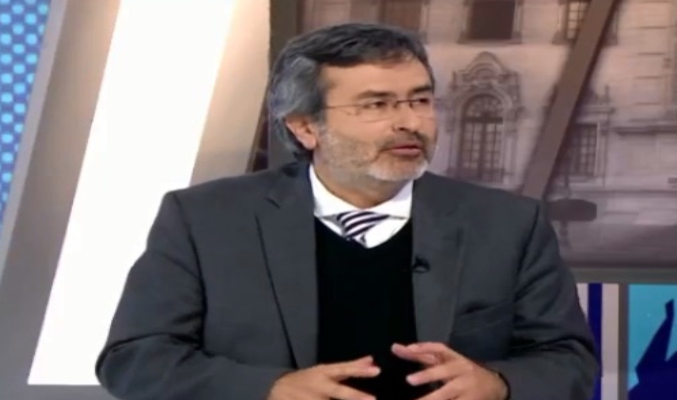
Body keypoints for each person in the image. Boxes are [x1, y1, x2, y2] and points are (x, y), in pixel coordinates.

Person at [96, 22, 598, 400]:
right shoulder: (205, 220)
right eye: (376, 105)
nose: (409, 122)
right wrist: (269, 390)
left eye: (420, 100)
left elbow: (569, 360)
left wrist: (497, 384)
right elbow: (134, 359)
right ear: (304, 127)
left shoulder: (508, 225)